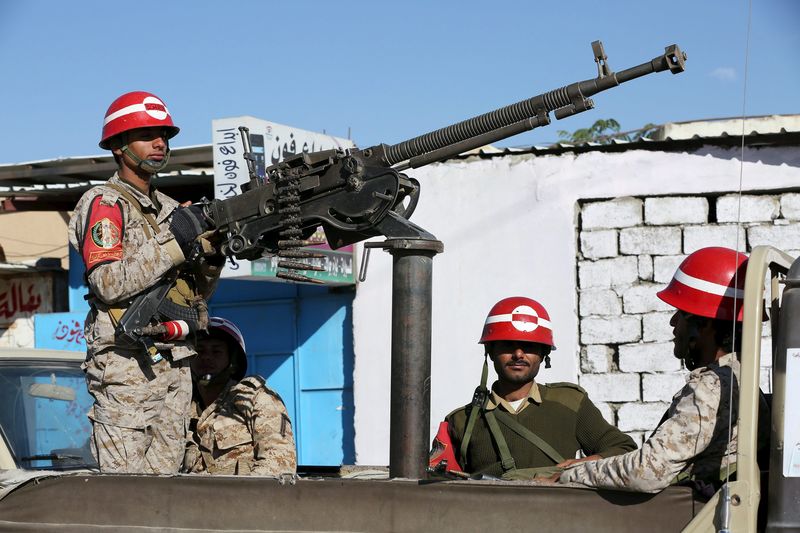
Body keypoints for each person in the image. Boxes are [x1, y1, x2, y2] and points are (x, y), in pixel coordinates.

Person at [68, 91, 223, 474]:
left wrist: (211, 257)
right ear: (119, 146)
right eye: (148, 135)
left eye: (164, 136)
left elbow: (196, 294)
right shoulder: (105, 203)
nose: (160, 144)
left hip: (174, 364)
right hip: (126, 370)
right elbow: (107, 282)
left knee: (166, 490)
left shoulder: (172, 210)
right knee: (124, 498)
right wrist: (176, 241)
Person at [559, 246, 768, 494]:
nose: (672, 322)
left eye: (680, 314)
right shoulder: (739, 377)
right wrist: (598, 463)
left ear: (704, 326)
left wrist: (570, 475)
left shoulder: (712, 387)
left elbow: (646, 473)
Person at [430, 296, 637, 480]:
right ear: (491, 352)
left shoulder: (570, 403)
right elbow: (439, 485)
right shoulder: (462, 421)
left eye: (528, 346)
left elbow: (624, 449)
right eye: (508, 345)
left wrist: (584, 464)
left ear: (543, 354)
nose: (518, 354)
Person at [183, 317, 297, 476]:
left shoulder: (254, 399)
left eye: (216, 351)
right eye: (200, 351)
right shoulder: (179, 408)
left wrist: (237, 498)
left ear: (233, 361)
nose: (206, 357)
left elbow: (279, 464)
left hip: (243, 498)